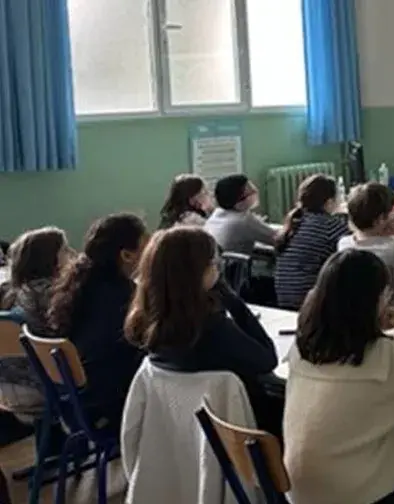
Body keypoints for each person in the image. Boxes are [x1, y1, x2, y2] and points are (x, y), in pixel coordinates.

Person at [283, 249, 394, 504]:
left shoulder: (302, 346)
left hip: (301, 491)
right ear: (376, 300)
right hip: (356, 496)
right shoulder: (384, 356)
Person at [124, 227, 281, 435]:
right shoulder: (212, 328)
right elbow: (268, 359)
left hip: (184, 431)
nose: (218, 269)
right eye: (214, 264)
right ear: (198, 272)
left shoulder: (148, 321)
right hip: (240, 431)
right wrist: (232, 300)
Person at [48, 213, 149, 429]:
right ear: (127, 255)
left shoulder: (79, 284)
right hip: (112, 405)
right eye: (145, 246)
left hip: (80, 402)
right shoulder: (124, 296)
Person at [0, 227, 73, 422]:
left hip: (9, 390)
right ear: (50, 259)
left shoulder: (12, 293)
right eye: (65, 250)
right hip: (47, 387)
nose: (73, 255)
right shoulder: (53, 295)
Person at [274, 174, 349, 309]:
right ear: (329, 202)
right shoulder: (329, 225)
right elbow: (356, 239)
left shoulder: (294, 221)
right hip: (309, 302)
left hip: (285, 298)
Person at [204, 174, 276, 254]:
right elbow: (278, 239)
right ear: (239, 199)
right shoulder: (243, 220)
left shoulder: (217, 213)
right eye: (251, 191)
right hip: (232, 265)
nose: (255, 192)